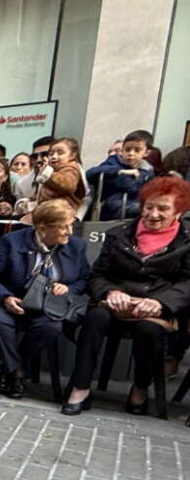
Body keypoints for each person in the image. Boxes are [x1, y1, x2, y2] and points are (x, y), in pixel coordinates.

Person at [62, 177, 190, 415]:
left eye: (163, 208)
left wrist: (160, 302)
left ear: (179, 212)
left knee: (148, 331)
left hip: (156, 307)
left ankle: (140, 387)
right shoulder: (118, 234)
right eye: (148, 207)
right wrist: (110, 291)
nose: (153, 214)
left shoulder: (186, 241)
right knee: (94, 319)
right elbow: (98, 275)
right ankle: (80, 387)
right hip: (115, 303)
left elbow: (187, 282)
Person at [0, 200, 90, 399]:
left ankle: (15, 369)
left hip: (49, 308)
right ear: (42, 228)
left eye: (72, 225)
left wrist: (68, 288)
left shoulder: (76, 246)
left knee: (51, 327)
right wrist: (5, 297)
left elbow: (84, 278)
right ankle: (15, 373)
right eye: (63, 226)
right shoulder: (13, 241)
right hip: (12, 301)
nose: (70, 231)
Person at [86, 130, 154, 220]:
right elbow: (90, 173)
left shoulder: (147, 171)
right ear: (122, 150)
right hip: (111, 207)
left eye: (137, 150)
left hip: (133, 204)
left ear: (146, 153)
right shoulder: (113, 162)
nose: (131, 153)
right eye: (127, 149)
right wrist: (119, 171)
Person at [32, 137, 86, 213]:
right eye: (51, 154)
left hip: (62, 211)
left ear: (72, 155)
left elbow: (67, 185)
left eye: (60, 153)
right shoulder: (54, 170)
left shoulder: (71, 168)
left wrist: (48, 173)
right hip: (47, 210)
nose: (54, 157)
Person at [14, 137, 54, 201]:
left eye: (45, 154)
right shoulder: (22, 184)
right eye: (35, 156)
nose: (38, 160)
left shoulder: (68, 179)